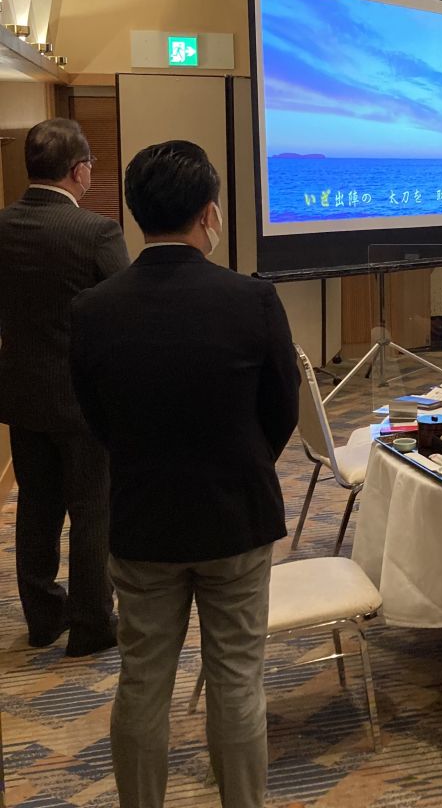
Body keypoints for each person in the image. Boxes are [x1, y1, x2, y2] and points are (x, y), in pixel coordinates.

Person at [70, 141, 299, 808]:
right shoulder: (252, 300)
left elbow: (96, 417)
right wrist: (241, 460)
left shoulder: (93, 309)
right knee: (237, 681)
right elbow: (281, 410)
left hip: (142, 521)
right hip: (236, 518)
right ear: (210, 214)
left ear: (136, 213)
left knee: (142, 682)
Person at [0, 117, 128, 654]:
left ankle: (42, 618)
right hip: (83, 398)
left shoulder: (2, 225)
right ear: (78, 171)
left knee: (37, 504)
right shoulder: (96, 232)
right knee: (92, 508)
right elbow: (123, 311)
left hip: (22, 393)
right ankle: (91, 625)